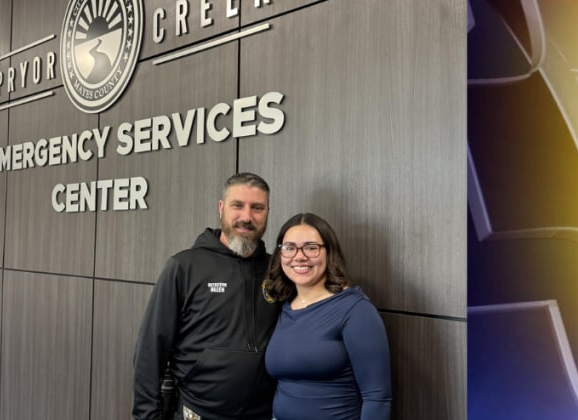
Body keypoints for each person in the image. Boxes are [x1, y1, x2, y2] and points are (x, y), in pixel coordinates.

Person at [133, 172, 281, 420]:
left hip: (263, 414)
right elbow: (150, 349)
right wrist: (145, 415)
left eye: (257, 208)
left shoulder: (277, 271)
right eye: (237, 205)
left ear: (267, 212)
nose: (247, 217)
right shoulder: (184, 267)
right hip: (197, 412)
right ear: (221, 208)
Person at [263, 213, 392, 420]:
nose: (299, 256)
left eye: (311, 247)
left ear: (329, 252)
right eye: (289, 248)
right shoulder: (283, 306)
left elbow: (377, 398)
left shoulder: (355, 309)